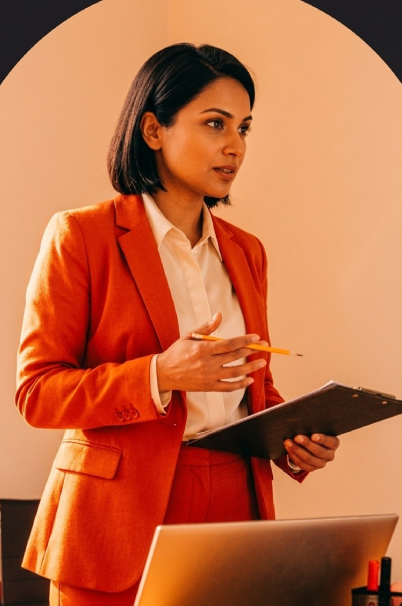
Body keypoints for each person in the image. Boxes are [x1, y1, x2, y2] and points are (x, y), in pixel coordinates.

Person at [15, 42, 339, 605]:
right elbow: (37, 394)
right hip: (117, 516)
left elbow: (251, 387)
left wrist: (292, 440)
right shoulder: (81, 236)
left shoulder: (247, 251)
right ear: (153, 130)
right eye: (215, 123)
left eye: (244, 128)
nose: (235, 146)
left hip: (236, 501)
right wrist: (159, 375)